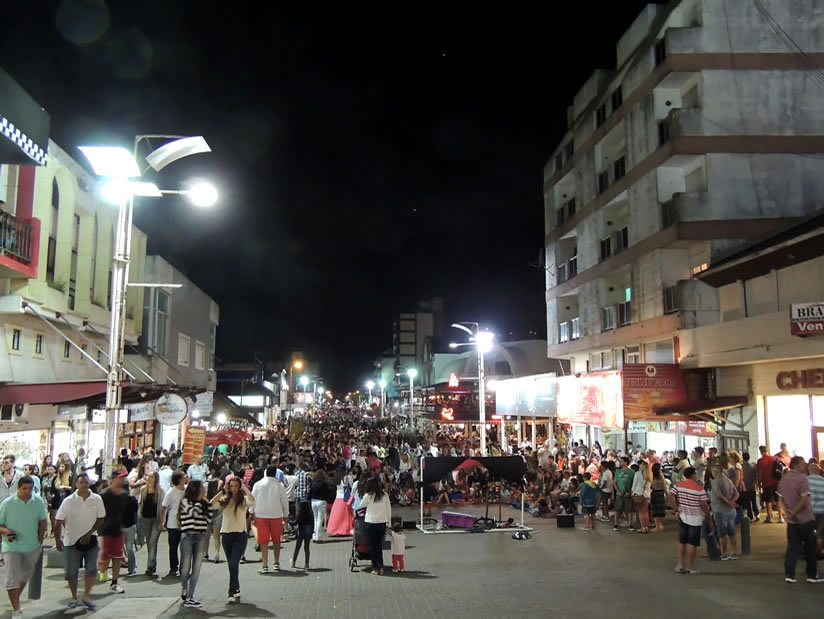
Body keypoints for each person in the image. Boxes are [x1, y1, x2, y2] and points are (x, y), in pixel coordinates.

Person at [54, 474, 105, 610]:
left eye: (86, 482)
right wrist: (58, 540)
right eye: (81, 482)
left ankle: (87, 595)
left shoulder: (96, 499)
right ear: (76, 484)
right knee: (71, 572)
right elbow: (58, 521)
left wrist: (91, 531)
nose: (84, 485)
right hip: (71, 541)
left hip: (91, 540)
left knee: (92, 569)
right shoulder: (69, 501)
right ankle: (74, 597)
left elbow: (101, 517)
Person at [0, 476, 47, 617]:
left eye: (31, 489)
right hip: (11, 546)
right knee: (12, 578)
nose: (28, 491)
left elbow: (43, 521)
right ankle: (16, 608)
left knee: (24, 576)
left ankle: (15, 598)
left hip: (32, 546)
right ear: (18, 488)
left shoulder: (38, 502)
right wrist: (8, 532)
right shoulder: (7, 503)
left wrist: (39, 540)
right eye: (24, 488)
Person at [777, 456, 824, 583]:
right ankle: (812, 575)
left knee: (792, 548)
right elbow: (805, 499)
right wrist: (794, 512)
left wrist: (787, 512)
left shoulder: (784, 479)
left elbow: (780, 500)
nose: (805, 466)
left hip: (792, 522)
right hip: (806, 519)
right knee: (810, 548)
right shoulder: (803, 479)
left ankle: (790, 574)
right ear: (796, 464)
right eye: (803, 463)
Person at [211, 476, 255, 603]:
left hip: (240, 536)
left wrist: (244, 488)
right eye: (232, 486)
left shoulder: (244, 500)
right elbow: (212, 503)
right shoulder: (225, 499)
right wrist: (222, 491)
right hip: (226, 535)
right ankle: (236, 588)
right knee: (232, 565)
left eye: (236, 486)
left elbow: (253, 500)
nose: (234, 488)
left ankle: (231, 591)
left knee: (233, 563)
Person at [671, 467, 711, 574]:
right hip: (696, 519)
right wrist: (709, 518)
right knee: (692, 544)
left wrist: (675, 509)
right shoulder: (699, 488)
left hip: (683, 516)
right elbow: (704, 505)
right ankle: (691, 567)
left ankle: (680, 564)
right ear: (693, 475)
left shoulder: (678, 485)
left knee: (682, 541)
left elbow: (671, 495)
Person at [178, 480, 210, 608]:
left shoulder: (204, 503)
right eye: (202, 487)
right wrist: (202, 503)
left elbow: (209, 519)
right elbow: (192, 512)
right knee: (185, 567)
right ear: (196, 489)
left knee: (196, 568)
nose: (204, 489)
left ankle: (190, 596)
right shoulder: (185, 501)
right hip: (187, 536)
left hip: (200, 536)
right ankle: (184, 587)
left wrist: (206, 503)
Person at [251, 465, 289, 573]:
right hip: (276, 515)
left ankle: (264, 565)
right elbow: (284, 501)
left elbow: (253, 499)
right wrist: (286, 514)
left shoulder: (258, 484)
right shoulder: (280, 485)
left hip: (261, 515)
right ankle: (276, 563)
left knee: (264, 542)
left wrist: (251, 511)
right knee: (277, 540)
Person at [98, 472, 129, 594]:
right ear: (114, 479)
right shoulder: (105, 494)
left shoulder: (123, 494)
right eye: (120, 477)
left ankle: (114, 582)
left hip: (118, 529)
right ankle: (103, 573)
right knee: (105, 556)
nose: (123, 480)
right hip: (105, 529)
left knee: (118, 556)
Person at [360, 477, 391, 575]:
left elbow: (361, 505)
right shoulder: (385, 495)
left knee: (373, 546)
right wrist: (389, 523)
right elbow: (388, 509)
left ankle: (376, 567)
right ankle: (381, 566)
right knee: (379, 545)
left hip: (370, 522)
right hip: (382, 522)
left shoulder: (368, 496)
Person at [709, 463, 739, 560]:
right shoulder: (728, 480)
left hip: (720, 510)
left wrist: (728, 502)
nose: (712, 473)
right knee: (732, 532)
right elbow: (737, 493)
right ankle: (733, 552)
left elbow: (719, 495)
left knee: (722, 534)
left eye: (712, 471)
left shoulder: (716, 481)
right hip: (731, 511)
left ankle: (724, 553)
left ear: (716, 472)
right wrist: (732, 502)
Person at [159, 470, 186, 577]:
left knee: (185, 547)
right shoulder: (171, 492)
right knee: (173, 547)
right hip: (173, 523)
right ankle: (173, 567)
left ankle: (184, 566)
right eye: (184, 475)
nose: (186, 476)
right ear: (179, 479)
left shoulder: (187, 489)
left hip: (186, 522)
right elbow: (163, 507)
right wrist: (162, 522)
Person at [139, 471, 164, 577]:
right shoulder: (143, 490)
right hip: (145, 519)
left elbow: (163, 508)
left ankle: (149, 566)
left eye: (151, 477)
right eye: (148, 476)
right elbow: (140, 503)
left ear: (156, 479)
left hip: (156, 519)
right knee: (149, 543)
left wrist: (162, 522)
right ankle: (152, 565)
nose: (149, 478)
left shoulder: (160, 491)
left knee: (153, 542)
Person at [756, 445, 782, 523]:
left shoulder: (761, 461)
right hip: (776, 482)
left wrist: (759, 483)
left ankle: (769, 517)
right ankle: (780, 517)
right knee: (777, 499)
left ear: (761, 452)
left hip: (766, 482)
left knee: (768, 500)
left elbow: (760, 473)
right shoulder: (774, 458)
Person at [204, 466, 224, 563]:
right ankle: (217, 553)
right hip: (218, 508)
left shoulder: (206, 483)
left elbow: (203, 495)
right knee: (216, 534)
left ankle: (205, 553)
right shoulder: (220, 483)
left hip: (208, 509)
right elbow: (222, 494)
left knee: (207, 533)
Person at [291, 495, 314, 570]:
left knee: (297, 546)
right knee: (306, 547)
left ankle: (293, 562)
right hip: (308, 531)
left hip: (301, 531)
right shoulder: (310, 514)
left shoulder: (299, 513)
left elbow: (295, 522)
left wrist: (290, 522)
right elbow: (312, 523)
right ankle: (306, 564)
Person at [806, 463, 824, 559]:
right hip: (822, 510)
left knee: (809, 532)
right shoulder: (823, 481)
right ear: (819, 471)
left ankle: (809, 552)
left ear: (809, 471)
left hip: (808, 511)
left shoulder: (805, 481)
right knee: (820, 532)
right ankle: (819, 552)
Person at [613, 457, 634, 530]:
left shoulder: (632, 472)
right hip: (619, 493)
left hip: (628, 493)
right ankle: (616, 523)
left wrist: (630, 492)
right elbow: (614, 482)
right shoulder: (618, 472)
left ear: (626, 462)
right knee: (617, 509)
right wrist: (618, 491)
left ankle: (630, 524)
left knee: (629, 509)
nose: (620, 462)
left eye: (622, 461)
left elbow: (634, 484)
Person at [632, 461, 652, 533]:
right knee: (646, 511)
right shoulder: (650, 475)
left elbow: (634, 485)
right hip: (647, 495)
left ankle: (642, 527)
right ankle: (646, 527)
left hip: (639, 494)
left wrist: (632, 492)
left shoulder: (637, 474)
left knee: (641, 512)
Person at [310, 469, 329, 543]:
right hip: (321, 501)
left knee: (315, 518)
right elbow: (327, 492)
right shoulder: (324, 483)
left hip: (313, 501)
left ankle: (314, 536)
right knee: (320, 519)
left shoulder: (313, 483)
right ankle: (318, 537)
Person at [740, 452, 760, 522]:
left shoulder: (741, 467)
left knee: (747, 503)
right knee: (754, 502)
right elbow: (755, 477)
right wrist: (757, 485)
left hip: (745, 487)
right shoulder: (753, 466)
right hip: (752, 486)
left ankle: (750, 516)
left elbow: (741, 478)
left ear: (742, 457)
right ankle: (757, 514)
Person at [650, 462, 669, 533]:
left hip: (653, 494)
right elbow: (664, 486)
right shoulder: (661, 476)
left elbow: (650, 486)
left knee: (655, 510)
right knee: (661, 510)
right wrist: (667, 494)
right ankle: (660, 525)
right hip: (660, 493)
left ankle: (657, 526)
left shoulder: (651, 476)